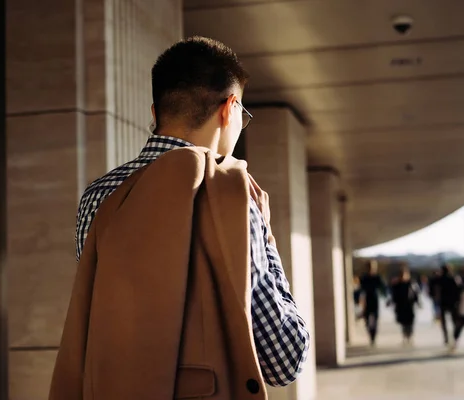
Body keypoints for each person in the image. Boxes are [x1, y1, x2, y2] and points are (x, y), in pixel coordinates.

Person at [73, 37, 309, 388]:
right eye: (241, 114)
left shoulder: (98, 197)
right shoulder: (230, 194)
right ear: (229, 108)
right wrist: (267, 237)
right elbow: (284, 360)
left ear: (155, 114)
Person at [388, 268, 420, 345]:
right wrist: (391, 302)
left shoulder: (411, 284)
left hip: (409, 305)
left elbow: (416, 294)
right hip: (400, 306)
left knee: (410, 321)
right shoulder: (397, 285)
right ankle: (405, 335)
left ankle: (410, 335)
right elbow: (394, 295)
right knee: (403, 322)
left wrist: (418, 302)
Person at [359, 260, 386, 347]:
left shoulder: (377, 277)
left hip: (375, 301)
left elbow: (383, 288)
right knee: (367, 320)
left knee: (375, 320)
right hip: (366, 301)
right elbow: (360, 290)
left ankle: (373, 337)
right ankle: (370, 335)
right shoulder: (364, 278)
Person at [436, 264, 460, 346]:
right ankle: (454, 336)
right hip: (452, 303)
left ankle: (446, 337)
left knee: (444, 322)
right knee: (454, 321)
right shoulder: (453, 278)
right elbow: (458, 290)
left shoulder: (439, 279)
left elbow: (436, 291)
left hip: (443, 302)